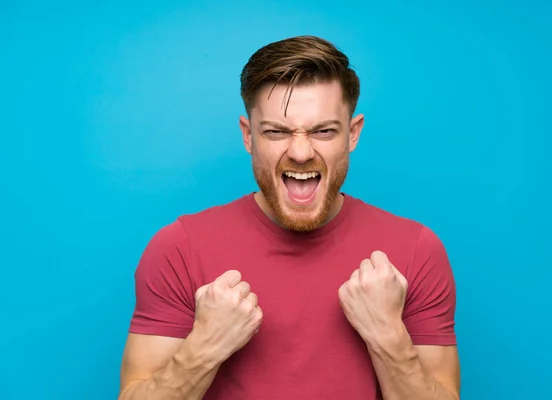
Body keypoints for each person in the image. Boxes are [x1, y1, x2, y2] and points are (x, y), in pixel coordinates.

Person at [118, 35, 460, 400]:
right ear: (249, 136)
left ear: (353, 134)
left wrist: (388, 336)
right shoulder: (179, 247)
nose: (299, 152)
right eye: (277, 132)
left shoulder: (415, 249)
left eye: (323, 131)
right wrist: (204, 348)